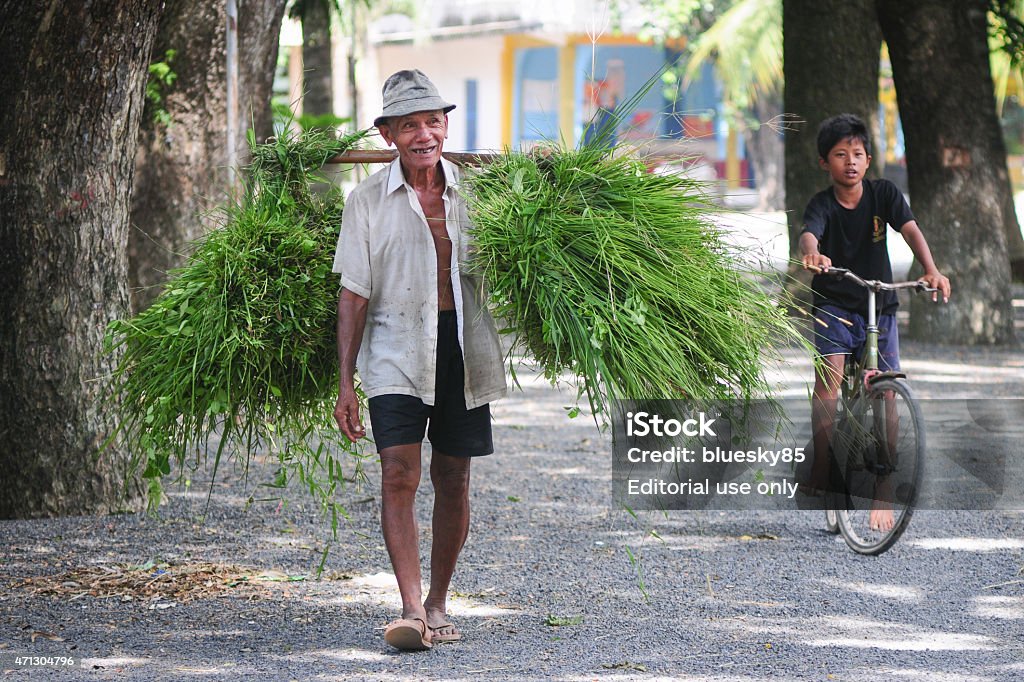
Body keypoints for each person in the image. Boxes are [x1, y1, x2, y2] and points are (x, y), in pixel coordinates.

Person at [332, 70, 507, 651]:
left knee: (454, 477)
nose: (424, 135)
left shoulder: (479, 194)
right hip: (394, 350)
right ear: (388, 135)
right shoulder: (365, 202)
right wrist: (345, 384)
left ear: (446, 127)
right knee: (398, 472)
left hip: (464, 349)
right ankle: (410, 608)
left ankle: (438, 601)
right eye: (409, 125)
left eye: (432, 121)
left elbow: (521, 260)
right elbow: (353, 292)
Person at [799, 113, 951, 531]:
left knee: (887, 392)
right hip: (833, 301)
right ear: (824, 162)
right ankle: (823, 462)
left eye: (858, 154)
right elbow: (809, 234)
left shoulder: (884, 194)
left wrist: (931, 269)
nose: (850, 161)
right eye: (840, 154)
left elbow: (911, 230)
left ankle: (882, 488)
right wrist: (813, 255)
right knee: (828, 380)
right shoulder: (822, 204)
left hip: (878, 304)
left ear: (868, 160)